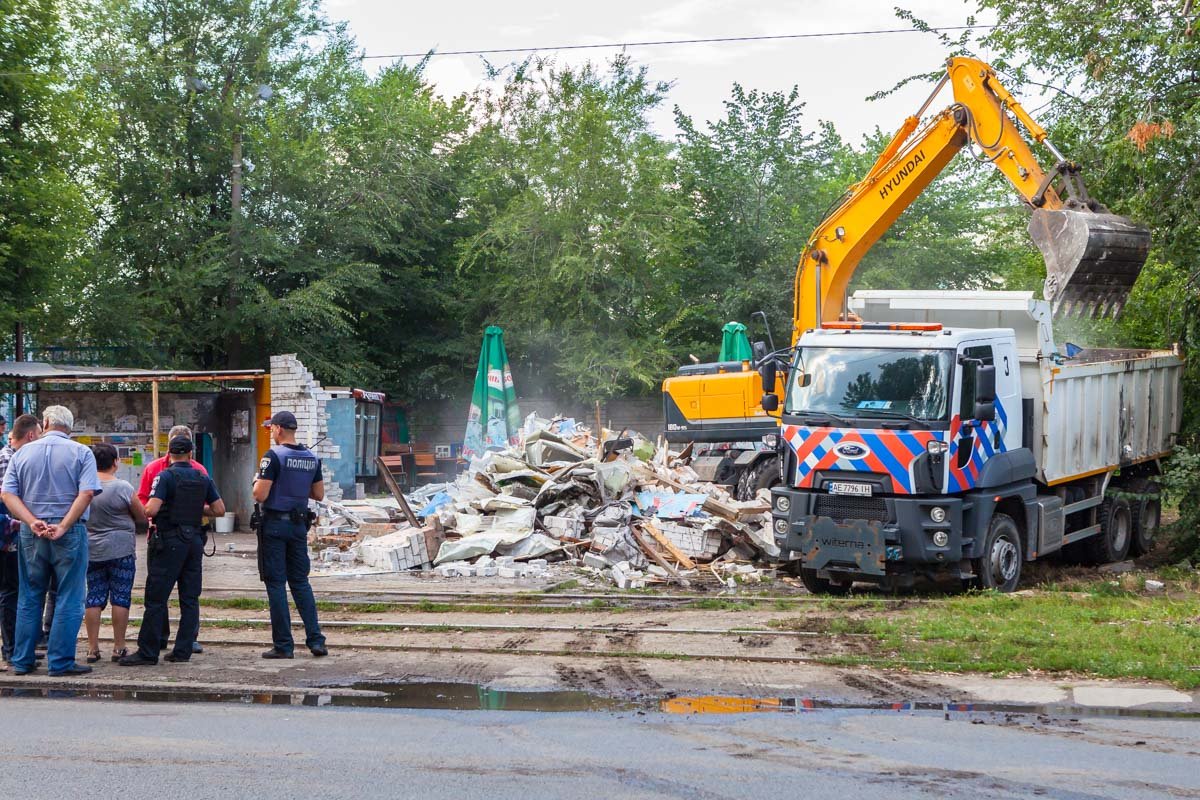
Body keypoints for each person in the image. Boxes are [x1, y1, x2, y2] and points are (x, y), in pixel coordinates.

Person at [1, 405, 101, 677]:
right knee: (69, 595)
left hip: (31, 531)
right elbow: (87, 493)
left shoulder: (22, 454)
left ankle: (22, 660)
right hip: (69, 529)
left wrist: (30, 520)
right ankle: (60, 662)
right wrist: (64, 525)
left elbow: (7, 494)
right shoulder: (81, 452)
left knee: (29, 594)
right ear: (70, 426)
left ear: (45, 423)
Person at [120, 436, 223, 666]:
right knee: (190, 597)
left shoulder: (165, 476)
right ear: (190, 454)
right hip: (194, 540)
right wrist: (195, 509)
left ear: (169, 453)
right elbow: (219, 509)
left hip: (169, 540)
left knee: (156, 597)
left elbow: (151, 509)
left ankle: (148, 651)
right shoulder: (202, 477)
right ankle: (183, 650)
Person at [254, 410, 327, 659]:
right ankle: (316, 641)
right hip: (298, 526)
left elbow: (260, 495)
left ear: (279, 429)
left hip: (275, 525)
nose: (271, 432)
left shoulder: (273, 456)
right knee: (300, 582)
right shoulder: (312, 458)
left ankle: (283, 646)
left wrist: (257, 481)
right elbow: (318, 494)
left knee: (276, 584)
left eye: (271, 428)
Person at [137, 424, 209, 655]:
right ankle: (164, 638)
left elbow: (148, 506)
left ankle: (182, 642)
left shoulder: (191, 471)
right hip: (173, 536)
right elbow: (143, 497)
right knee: (180, 593)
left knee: (161, 593)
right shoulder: (155, 469)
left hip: (174, 537)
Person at [84, 444, 147, 663]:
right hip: (121, 549)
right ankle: (119, 647)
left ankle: (92, 648)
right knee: (120, 597)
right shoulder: (123, 487)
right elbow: (141, 516)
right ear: (115, 462)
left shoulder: (84, 487)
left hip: (91, 549)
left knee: (93, 597)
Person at [0, 414, 41, 669]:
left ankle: (18, 647)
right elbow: (8, 497)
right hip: (7, 536)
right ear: (31, 435)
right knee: (11, 591)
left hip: (12, 533)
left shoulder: (11, 455)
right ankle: (12, 649)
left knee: (15, 590)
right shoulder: (10, 458)